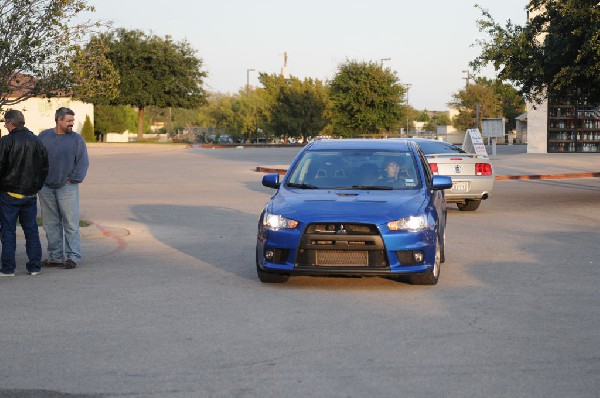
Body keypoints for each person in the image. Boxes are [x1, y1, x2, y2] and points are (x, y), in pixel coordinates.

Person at [38, 107, 89, 269]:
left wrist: (72, 179)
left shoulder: (76, 139)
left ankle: (73, 257)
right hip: (46, 187)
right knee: (50, 224)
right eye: (68, 121)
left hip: (67, 187)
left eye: (72, 121)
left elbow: (83, 162)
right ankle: (55, 256)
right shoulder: (44, 136)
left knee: (71, 223)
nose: (71, 124)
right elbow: (35, 158)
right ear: (58, 120)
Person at [0, 110, 49, 277]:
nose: (5, 127)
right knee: (31, 230)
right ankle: (35, 266)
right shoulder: (37, 141)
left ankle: (8, 268)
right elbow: (44, 167)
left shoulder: (6, 141)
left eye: (5, 124)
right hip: (30, 194)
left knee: (8, 230)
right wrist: (36, 186)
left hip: (9, 194)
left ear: (11, 123)